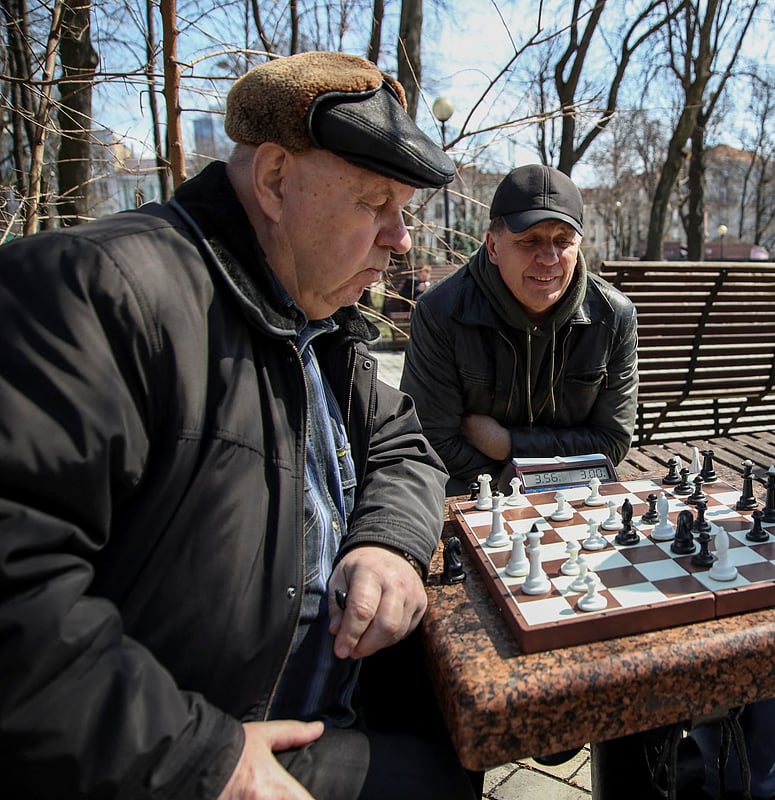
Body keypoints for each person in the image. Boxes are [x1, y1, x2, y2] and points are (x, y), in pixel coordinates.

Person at [0, 52, 480, 799]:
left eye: (404, 211)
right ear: (276, 180)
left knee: (457, 746)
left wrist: (388, 542)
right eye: (374, 203)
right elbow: (18, 595)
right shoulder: (95, 294)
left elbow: (403, 443)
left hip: (322, 705)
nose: (402, 239)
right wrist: (202, 760)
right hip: (176, 753)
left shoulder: (314, 316)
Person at [400, 163, 639, 495]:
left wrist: (507, 444)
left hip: (574, 495)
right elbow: (432, 439)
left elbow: (611, 442)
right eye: (529, 241)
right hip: (475, 494)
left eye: (563, 240)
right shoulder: (441, 312)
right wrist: (519, 484)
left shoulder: (613, 316)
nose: (549, 257)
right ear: (494, 246)